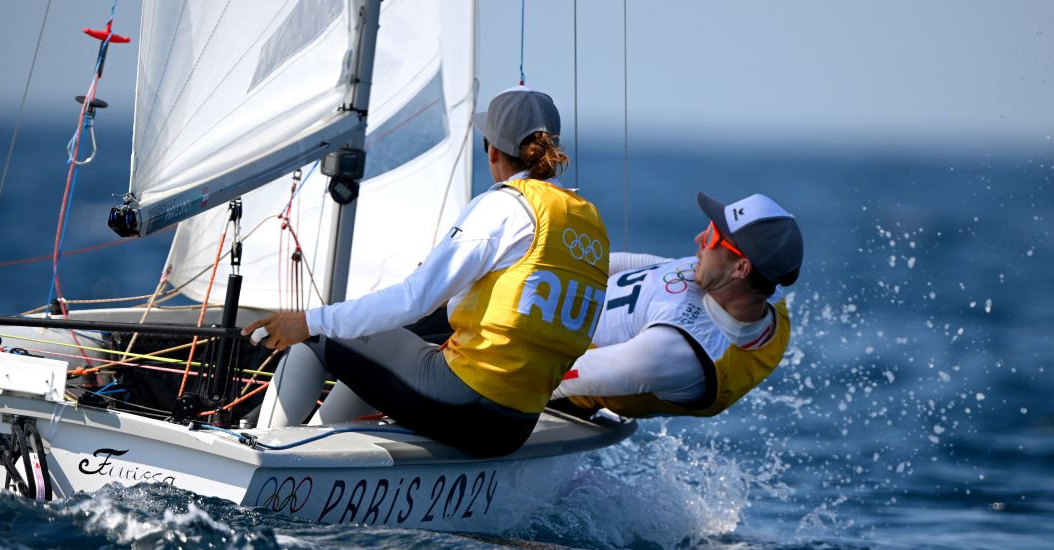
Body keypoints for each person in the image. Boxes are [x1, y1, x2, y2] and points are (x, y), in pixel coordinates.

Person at [244, 87, 610, 455]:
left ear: (493, 151)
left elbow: (412, 299)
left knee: (320, 334)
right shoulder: (586, 222)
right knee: (378, 345)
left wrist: (307, 321)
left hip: (466, 406)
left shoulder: (504, 206)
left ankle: (267, 451)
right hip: (515, 424)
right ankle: (317, 447)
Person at [550, 192, 803, 419]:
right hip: (550, 301)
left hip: (557, 383)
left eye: (714, 236)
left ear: (741, 268)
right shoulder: (764, 289)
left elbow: (559, 379)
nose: (700, 238)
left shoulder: (678, 354)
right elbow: (652, 269)